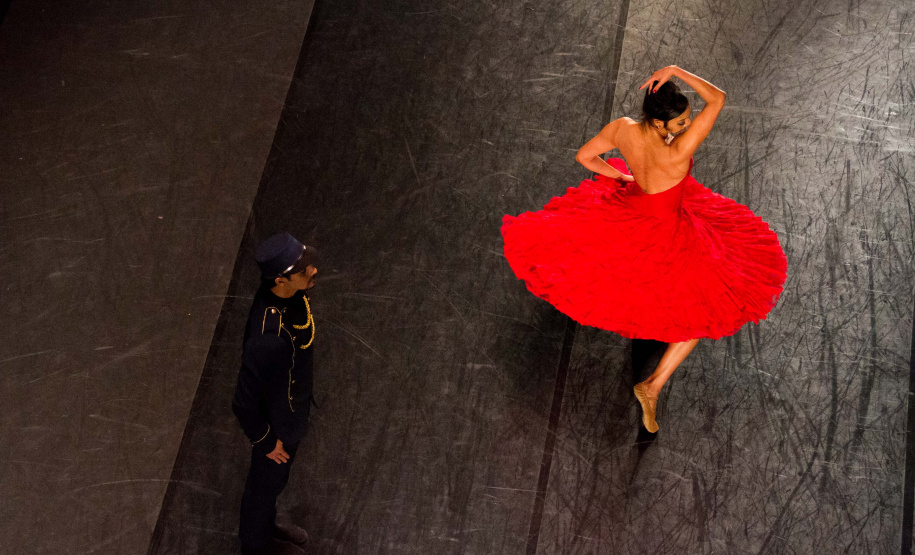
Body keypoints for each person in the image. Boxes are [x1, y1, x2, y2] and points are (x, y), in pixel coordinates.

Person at [501, 66, 787, 433]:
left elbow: (585, 157)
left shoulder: (623, 128)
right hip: (668, 232)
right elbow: (717, 99)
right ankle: (651, 386)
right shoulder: (678, 150)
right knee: (701, 308)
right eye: (681, 121)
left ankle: (650, 384)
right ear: (659, 122)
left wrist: (622, 176)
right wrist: (677, 70)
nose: (686, 125)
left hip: (633, 213)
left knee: (615, 269)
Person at [232, 232, 319, 555]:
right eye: (303, 270)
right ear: (280, 280)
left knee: (274, 484)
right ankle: (256, 546)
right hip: (276, 427)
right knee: (263, 487)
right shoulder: (267, 337)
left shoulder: (291, 294)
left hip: (291, 411)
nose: (313, 271)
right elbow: (243, 402)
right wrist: (268, 442)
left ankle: (266, 527)